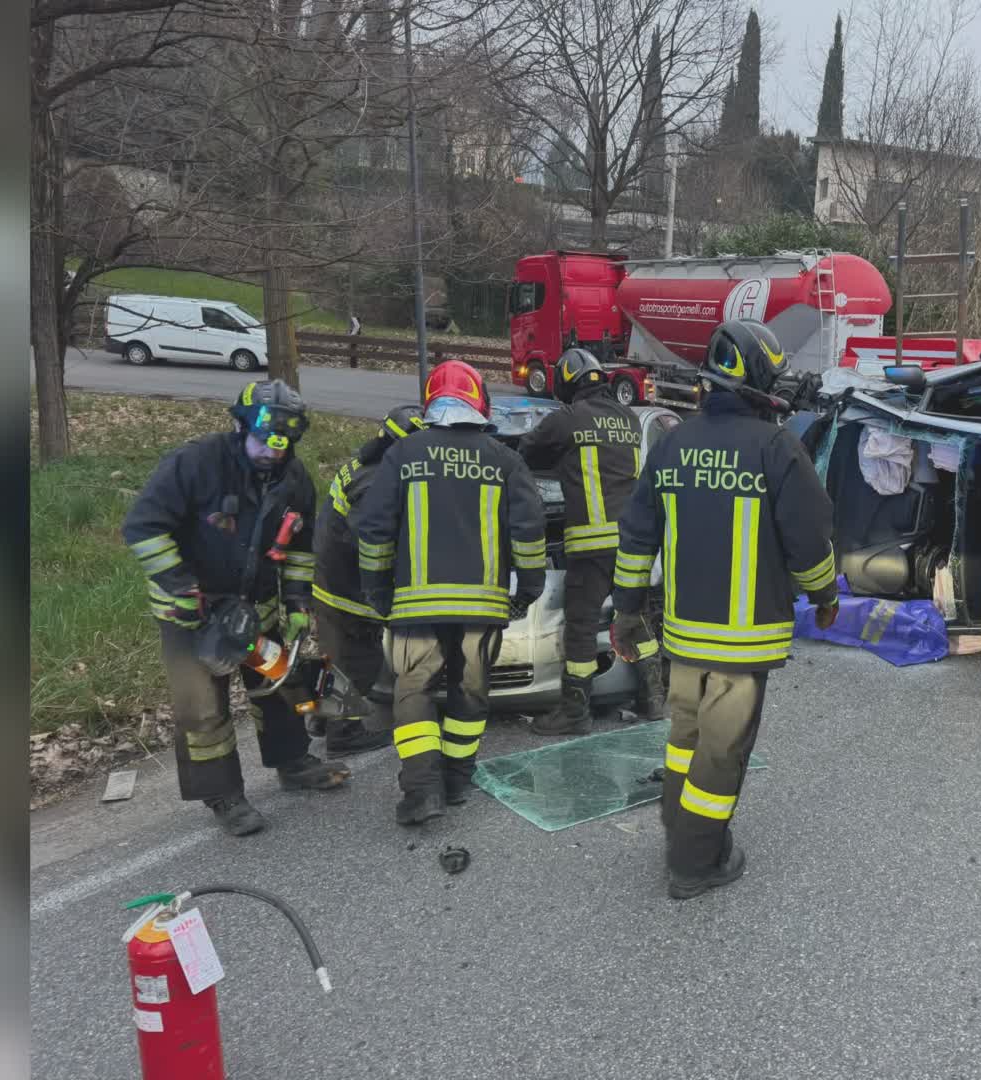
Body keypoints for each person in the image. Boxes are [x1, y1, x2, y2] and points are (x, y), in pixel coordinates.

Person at [609, 320, 840, 899]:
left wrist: (626, 613)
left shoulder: (672, 443)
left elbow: (637, 536)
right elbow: (810, 538)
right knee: (722, 751)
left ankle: (678, 830)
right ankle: (696, 862)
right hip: (745, 643)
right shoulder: (776, 448)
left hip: (683, 639)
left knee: (684, 737)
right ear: (760, 380)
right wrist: (825, 595)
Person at [121, 379, 353, 837]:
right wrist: (182, 586)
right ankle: (223, 794)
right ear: (240, 427)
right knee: (203, 709)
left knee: (277, 686)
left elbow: (302, 548)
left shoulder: (294, 480)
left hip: (256, 609)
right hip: (191, 616)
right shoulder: (196, 463)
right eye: (262, 441)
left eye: (281, 444)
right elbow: (143, 527)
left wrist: (297, 602)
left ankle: (293, 763)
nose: (270, 452)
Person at [354, 361, 548, 826]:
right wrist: (529, 587)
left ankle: (422, 790)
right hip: (480, 607)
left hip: (415, 606)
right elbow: (528, 531)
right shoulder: (505, 459)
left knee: (413, 689)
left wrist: (378, 590)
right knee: (470, 690)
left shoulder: (403, 454)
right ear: (479, 402)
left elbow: (374, 529)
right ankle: (459, 778)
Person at [517, 348, 665, 735]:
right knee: (634, 616)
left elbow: (526, 452)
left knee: (580, 627)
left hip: (591, 542)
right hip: (632, 543)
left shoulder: (567, 418)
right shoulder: (628, 419)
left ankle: (574, 712)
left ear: (567, 381)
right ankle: (653, 700)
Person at [306, 405, 427, 757]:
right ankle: (344, 734)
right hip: (348, 589)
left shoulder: (362, 464)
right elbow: (372, 543)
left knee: (333, 655)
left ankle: (322, 717)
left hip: (328, 577)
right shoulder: (376, 484)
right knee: (361, 660)